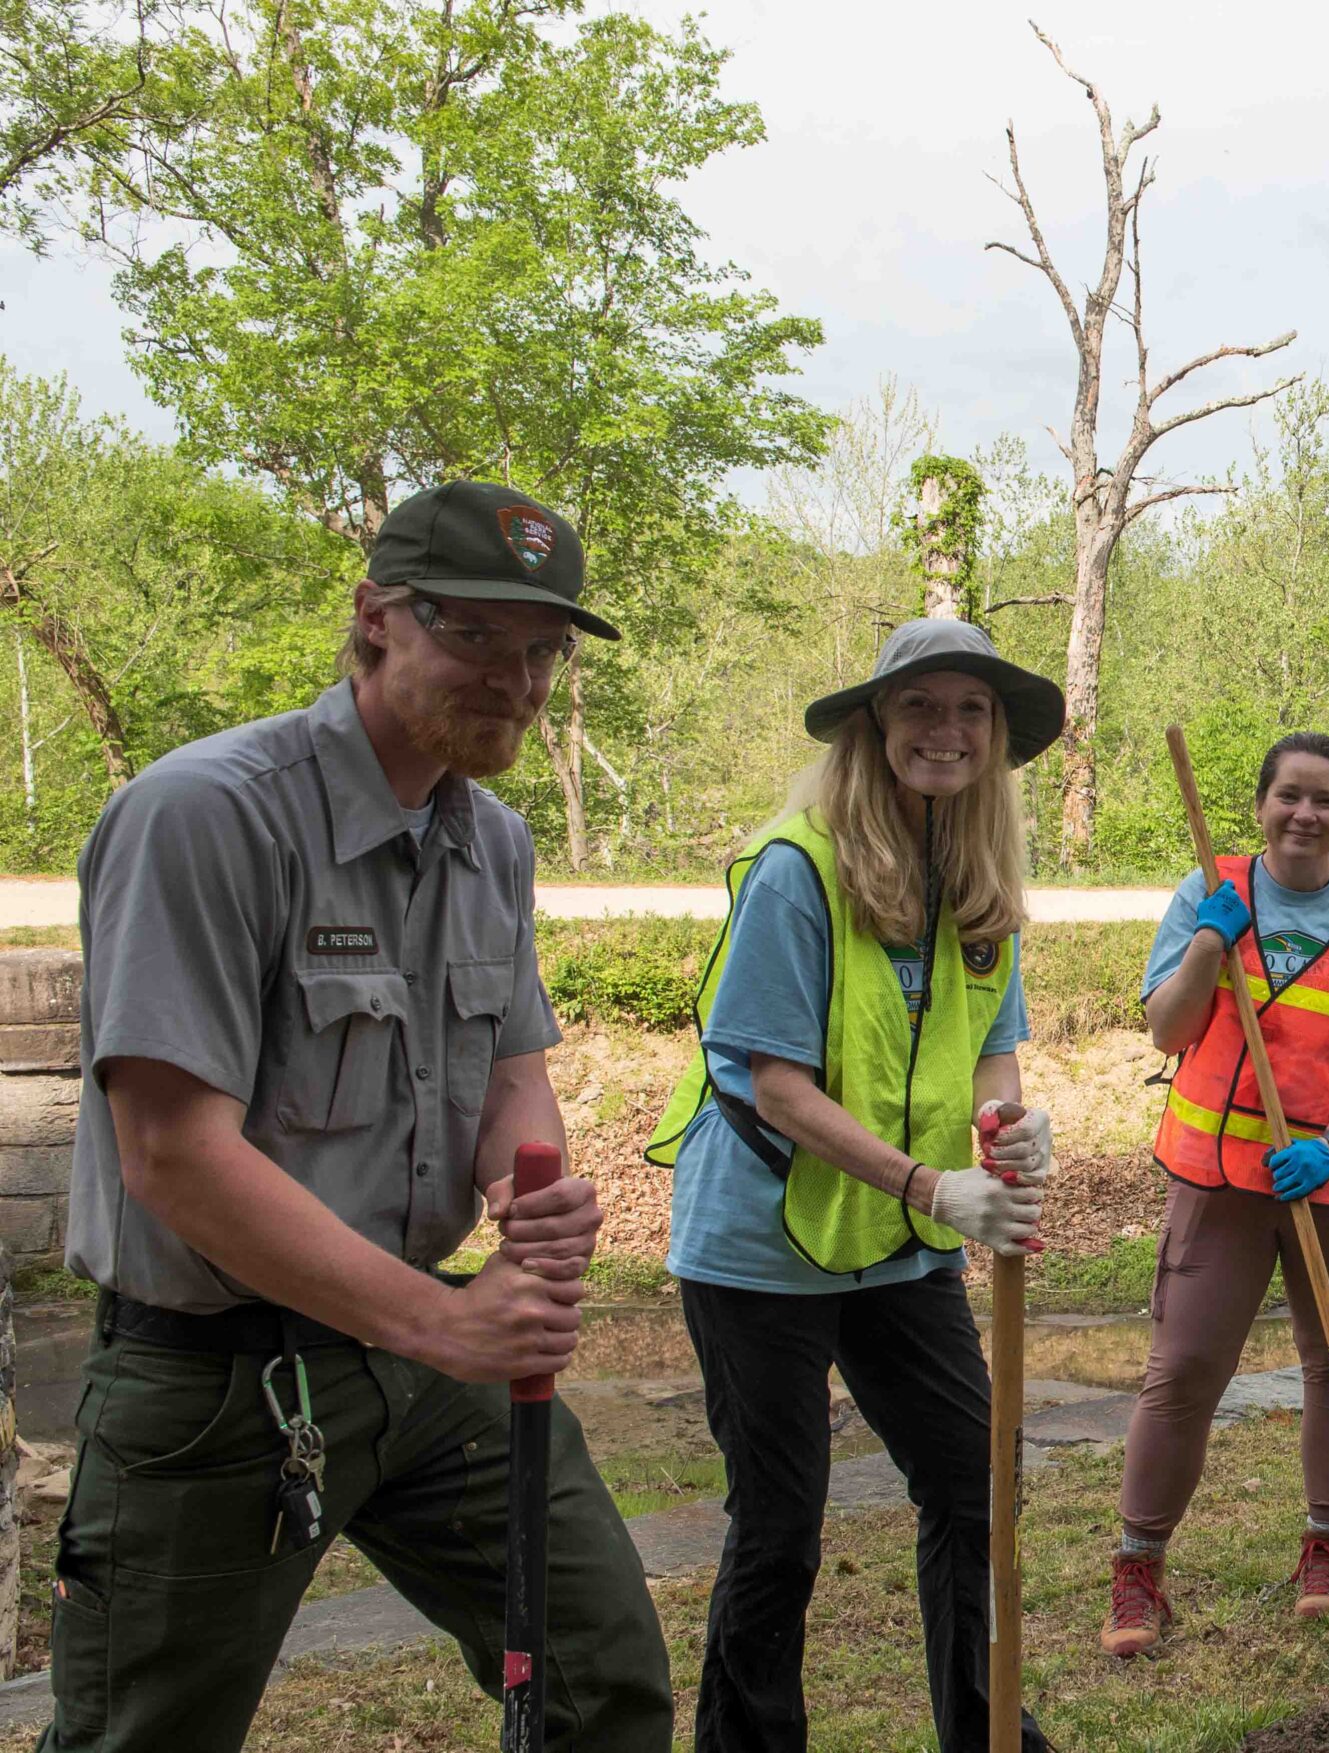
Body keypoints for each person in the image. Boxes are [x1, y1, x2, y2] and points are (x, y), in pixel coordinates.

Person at [45, 481, 672, 1751]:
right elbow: (174, 1155)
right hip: (216, 1379)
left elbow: (508, 1069)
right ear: (374, 617)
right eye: (477, 636)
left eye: (543, 648)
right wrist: (447, 1322)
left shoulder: (490, 841)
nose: (517, 677)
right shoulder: (207, 815)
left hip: (417, 1355)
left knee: (603, 1682)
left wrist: (528, 1191)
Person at [645, 616, 1059, 1753]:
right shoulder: (798, 867)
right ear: (876, 722)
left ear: (995, 735)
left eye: (970, 709)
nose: (946, 730)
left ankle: (986, 1735)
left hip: (897, 1238)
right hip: (761, 1242)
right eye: (921, 705)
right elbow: (775, 1084)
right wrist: (934, 1188)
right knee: (780, 1526)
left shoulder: (977, 874)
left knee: (973, 1482)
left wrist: (1011, 1123)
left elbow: (991, 1042)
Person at [1101, 732, 1329, 1658]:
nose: (1305, 814)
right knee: (1182, 1369)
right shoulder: (1207, 891)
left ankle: (1328, 1549)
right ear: (1260, 805)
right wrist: (1212, 939)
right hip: (1223, 1173)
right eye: (1288, 795)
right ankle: (1139, 1570)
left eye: (1325, 799)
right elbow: (1164, 1032)